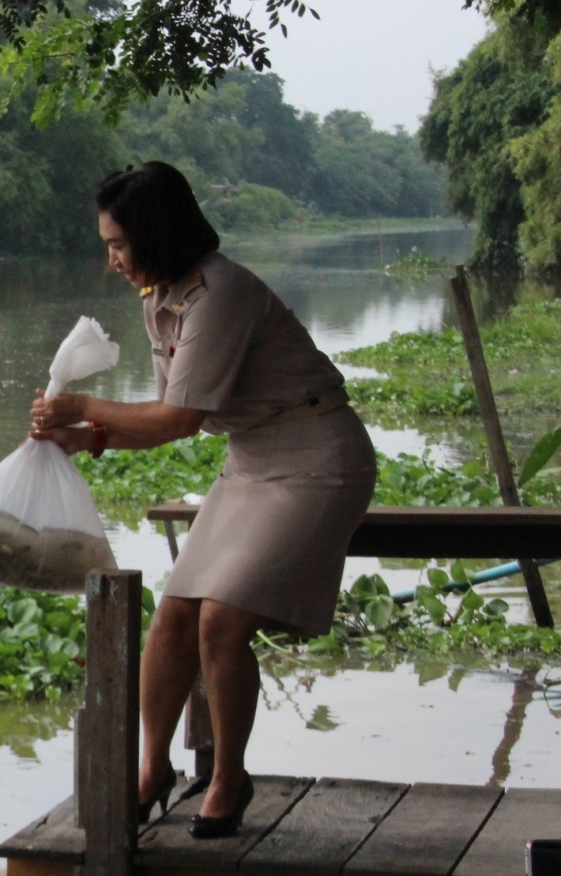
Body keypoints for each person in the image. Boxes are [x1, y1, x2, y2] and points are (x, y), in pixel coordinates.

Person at [31, 161, 376, 836]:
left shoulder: (221, 295)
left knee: (220, 619)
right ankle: (153, 769)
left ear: (157, 234)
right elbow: (167, 416)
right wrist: (85, 436)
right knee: (173, 618)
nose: (113, 260)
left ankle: (228, 777)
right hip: (251, 458)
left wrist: (79, 405)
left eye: (120, 244)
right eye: (107, 244)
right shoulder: (162, 296)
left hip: (316, 458)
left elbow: (179, 420)